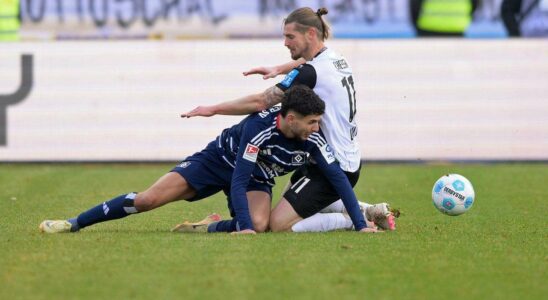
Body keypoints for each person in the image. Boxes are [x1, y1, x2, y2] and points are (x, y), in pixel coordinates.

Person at [40, 85, 373, 234]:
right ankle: (74, 223)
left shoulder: (312, 138)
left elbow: (338, 178)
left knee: (260, 225)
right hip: (218, 162)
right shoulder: (259, 129)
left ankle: (204, 227)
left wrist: (360, 226)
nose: (318, 128)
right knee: (147, 200)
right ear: (288, 118)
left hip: (256, 178)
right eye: (312, 122)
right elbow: (238, 177)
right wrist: (242, 229)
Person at [181, 7, 397, 233]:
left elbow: (261, 102)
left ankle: (353, 221)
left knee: (278, 224)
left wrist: (214, 109)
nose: (285, 42)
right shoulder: (336, 58)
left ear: (311, 34)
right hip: (347, 156)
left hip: (331, 161)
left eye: (290, 36)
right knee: (293, 205)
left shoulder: (309, 73)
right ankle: (369, 209)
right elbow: (305, 67)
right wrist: (279, 69)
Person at [410, 0, 478, 37]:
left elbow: (415, 6)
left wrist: (416, 25)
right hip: (457, 28)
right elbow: (475, 4)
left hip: (428, 29)